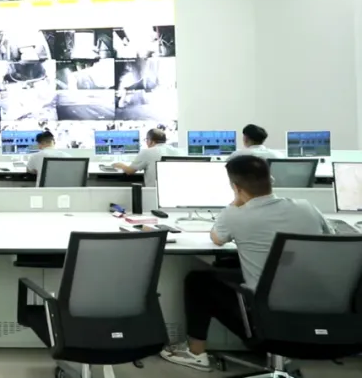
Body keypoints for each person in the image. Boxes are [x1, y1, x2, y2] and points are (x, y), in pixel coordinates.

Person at [160, 155, 331, 372]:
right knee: (236, 268)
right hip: (318, 315)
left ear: (236, 187)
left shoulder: (236, 215)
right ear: (271, 180)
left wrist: (235, 202)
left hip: (267, 322)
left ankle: (196, 353)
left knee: (198, 281)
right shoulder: (307, 208)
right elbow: (329, 238)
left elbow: (216, 238)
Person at [112, 128, 177, 186]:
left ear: (150, 141)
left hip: (153, 192)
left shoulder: (147, 152)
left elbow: (130, 171)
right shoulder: (176, 151)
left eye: (146, 139)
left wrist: (120, 165)